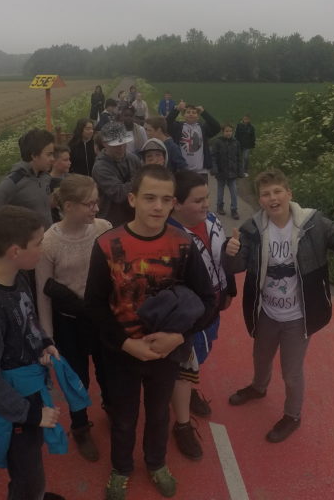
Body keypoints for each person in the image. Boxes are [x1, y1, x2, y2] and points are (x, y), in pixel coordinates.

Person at [84, 165, 216, 500]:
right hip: (121, 354)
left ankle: (156, 464)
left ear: (173, 203)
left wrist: (178, 337)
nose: (158, 206)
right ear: (132, 199)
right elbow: (95, 305)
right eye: (149, 198)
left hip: (165, 352)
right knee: (123, 417)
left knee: (158, 415)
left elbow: (207, 300)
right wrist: (126, 343)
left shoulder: (183, 244)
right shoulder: (106, 244)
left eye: (166, 199)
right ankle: (121, 468)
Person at [224, 168, 334, 443]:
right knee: (260, 357)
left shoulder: (313, 224)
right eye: (266, 194)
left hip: (298, 316)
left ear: (289, 193)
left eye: (278, 191)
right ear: (260, 200)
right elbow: (237, 265)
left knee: (291, 372)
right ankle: (258, 387)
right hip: (266, 312)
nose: (272, 198)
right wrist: (231, 253)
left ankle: (292, 415)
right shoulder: (252, 229)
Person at [0, 205, 66, 500]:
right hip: (14, 407)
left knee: (32, 461)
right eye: (38, 243)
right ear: (15, 251)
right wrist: (31, 414)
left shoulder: (16, 276)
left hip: (28, 392)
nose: (43, 249)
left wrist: (43, 342)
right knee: (26, 476)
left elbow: (27, 319)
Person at [37, 175, 113, 462]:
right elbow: (43, 293)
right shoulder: (49, 243)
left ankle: (112, 408)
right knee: (76, 377)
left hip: (101, 317)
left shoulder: (103, 228)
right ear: (68, 206)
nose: (96, 208)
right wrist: (47, 337)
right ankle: (81, 427)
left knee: (108, 369)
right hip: (69, 322)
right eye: (89, 204)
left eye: (96, 202)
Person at [166, 170, 238, 461]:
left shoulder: (211, 220)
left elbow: (222, 257)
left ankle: (188, 386)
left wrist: (230, 288)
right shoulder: (168, 237)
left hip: (213, 306)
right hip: (189, 317)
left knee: (200, 355)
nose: (206, 204)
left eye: (207, 197)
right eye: (198, 200)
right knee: (184, 365)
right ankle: (182, 425)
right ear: (176, 204)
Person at [0, 128, 57, 230]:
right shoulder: (15, 180)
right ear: (34, 155)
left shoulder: (44, 176)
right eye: (49, 154)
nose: (53, 159)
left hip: (47, 236)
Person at [91, 122, 142, 228]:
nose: (121, 148)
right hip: (111, 221)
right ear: (104, 143)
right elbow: (119, 194)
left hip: (134, 218)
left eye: (123, 143)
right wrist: (140, 179)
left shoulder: (133, 159)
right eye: (116, 145)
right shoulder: (100, 167)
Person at [165, 101, 220, 176]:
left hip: (201, 172)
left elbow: (217, 127)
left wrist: (204, 112)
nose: (191, 114)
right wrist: (177, 109)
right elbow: (166, 124)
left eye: (194, 112)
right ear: (184, 115)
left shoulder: (203, 128)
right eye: (188, 112)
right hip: (182, 171)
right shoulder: (178, 127)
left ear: (198, 116)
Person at [209, 124, 243, 220]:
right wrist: (214, 168)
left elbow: (239, 158)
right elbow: (213, 156)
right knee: (220, 190)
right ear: (223, 132)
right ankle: (220, 206)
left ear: (233, 132)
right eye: (226, 131)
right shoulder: (217, 142)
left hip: (232, 172)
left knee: (234, 191)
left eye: (230, 131)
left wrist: (240, 171)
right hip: (221, 171)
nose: (228, 133)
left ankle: (234, 209)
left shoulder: (236, 143)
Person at [48, 145, 72, 223]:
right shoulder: (47, 183)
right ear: (54, 162)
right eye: (65, 160)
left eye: (69, 159)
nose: (69, 163)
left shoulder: (71, 179)